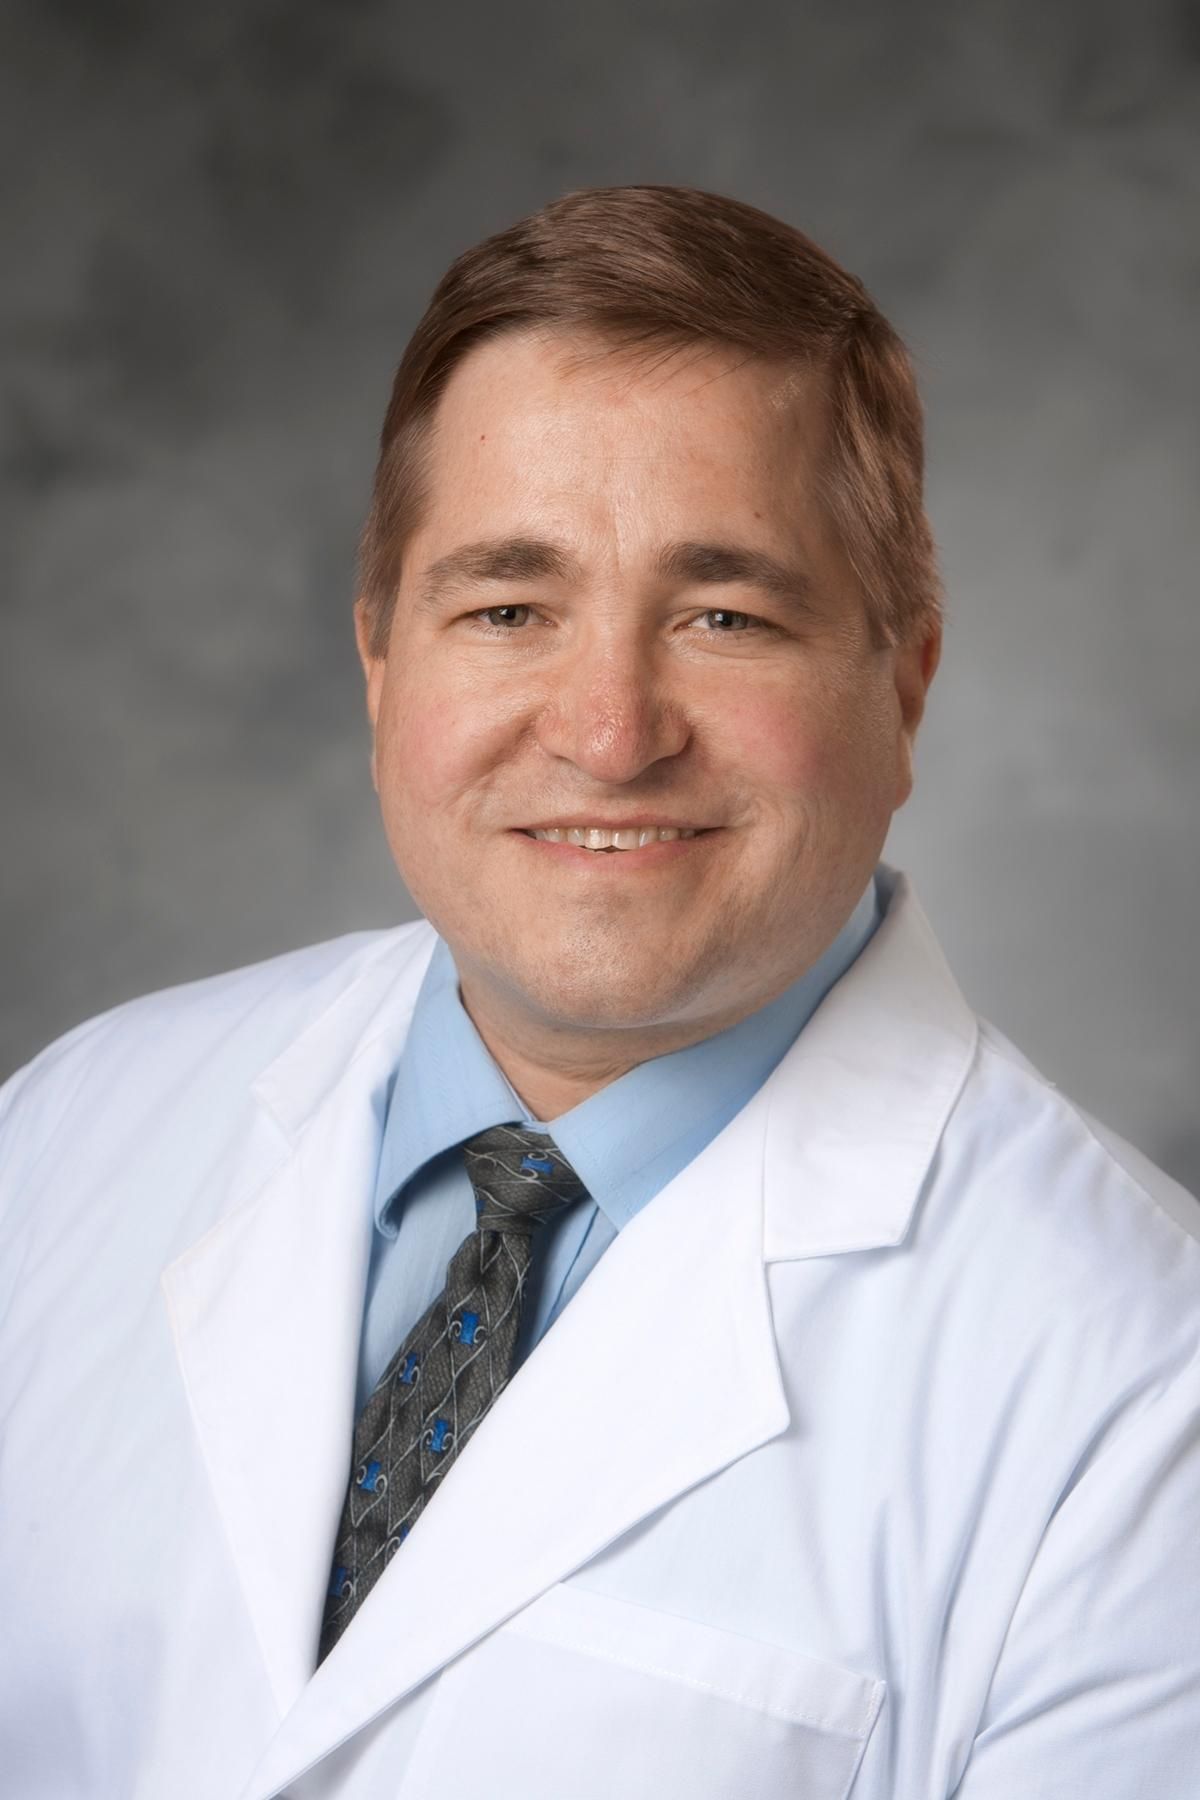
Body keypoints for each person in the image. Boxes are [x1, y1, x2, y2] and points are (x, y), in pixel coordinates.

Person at [1, 185, 1197, 1800]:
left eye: (725, 616)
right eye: (509, 609)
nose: (611, 732)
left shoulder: (1144, 1389)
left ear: (904, 684)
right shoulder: (67, 1136)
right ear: (381, 660)